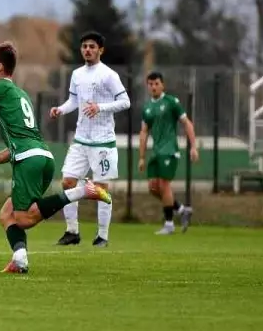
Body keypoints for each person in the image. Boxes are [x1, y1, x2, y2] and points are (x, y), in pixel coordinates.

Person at [0, 42, 110, 273]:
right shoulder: (20, 94)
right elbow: (17, 147)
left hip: (29, 161)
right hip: (42, 158)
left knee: (23, 219)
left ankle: (82, 191)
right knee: (7, 214)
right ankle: (20, 259)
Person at [49, 31, 130, 248]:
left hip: (103, 141)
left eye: (92, 46)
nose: (87, 50)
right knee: (67, 181)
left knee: (100, 189)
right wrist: (60, 109)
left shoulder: (109, 75)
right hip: (81, 140)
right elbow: (73, 101)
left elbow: (125, 102)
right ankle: (72, 231)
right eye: (84, 46)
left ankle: (102, 236)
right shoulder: (77, 74)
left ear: (100, 50)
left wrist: (100, 107)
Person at [140, 71, 199, 234]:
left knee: (164, 185)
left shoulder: (172, 102)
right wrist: (142, 157)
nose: (153, 87)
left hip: (170, 150)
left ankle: (169, 224)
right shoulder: (147, 108)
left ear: (162, 85)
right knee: (153, 188)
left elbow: (187, 123)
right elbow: (144, 132)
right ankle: (181, 210)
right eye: (150, 84)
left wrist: (193, 146)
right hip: (156, 151)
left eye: (156, 84)